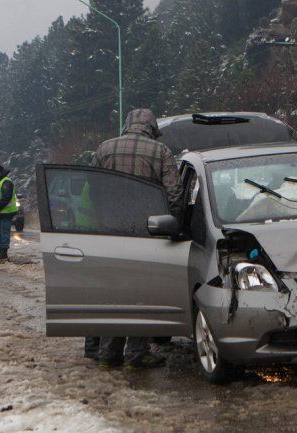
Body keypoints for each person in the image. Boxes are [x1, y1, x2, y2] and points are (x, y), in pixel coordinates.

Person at [88, 108, 184, 371]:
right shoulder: (160, 152)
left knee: (114, 293)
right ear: (152, 128)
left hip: (110, 233)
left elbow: (92, 188)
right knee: (141, 294)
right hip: (146, 233)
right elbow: (174, 193)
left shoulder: (104, 149)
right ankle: (136, 355)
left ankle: (107, 355)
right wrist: (170, 224)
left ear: (127, 125)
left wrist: (102, 217)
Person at [0, 165, 18, 260]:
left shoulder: (6, 182)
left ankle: (3, 253)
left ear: (0, 172)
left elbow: (6, 196)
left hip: (6, 213)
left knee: (4, 233)